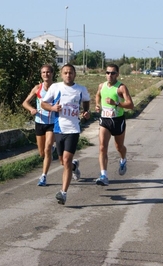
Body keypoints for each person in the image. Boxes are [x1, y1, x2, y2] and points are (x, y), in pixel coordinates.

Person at [41, 64, 91, 205]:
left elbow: (86, 103)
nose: (68, 75)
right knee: (63, 162)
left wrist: (86, 112)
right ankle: (74, 167)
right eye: (65, 73)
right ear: (61, 74)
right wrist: (52, 108)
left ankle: (63, 193)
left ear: (75, 74)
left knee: (67, 160)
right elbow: (43, 104)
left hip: (73, 130)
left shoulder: (81, 89)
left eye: (70, 73)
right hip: (58, 129)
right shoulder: (55, 87)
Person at [94, 64, 134, 186]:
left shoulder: (121, 88)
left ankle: (123, 159)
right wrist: (97, 105)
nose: (109, 75)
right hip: (105, 120)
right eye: (107, 73)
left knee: (119, 147)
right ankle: (103, 175)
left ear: (117, 74)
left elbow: (130, 105)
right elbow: (98, 95)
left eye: (112, 73)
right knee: (102, 147)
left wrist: (116, 103)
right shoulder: (102, 86)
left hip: (118, 120)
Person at [22, 65, 55, 186]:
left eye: (48, 72)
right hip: (40, 122)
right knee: (42, 153)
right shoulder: (37, 88)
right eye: (43, 72)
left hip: (52, 122)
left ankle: (43, 176)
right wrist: (31, 109)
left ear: (52, 74)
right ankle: (52, 151)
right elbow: (25, 102)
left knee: (47, 149)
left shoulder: (57, 88)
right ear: (41, 74)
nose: (46, 74)